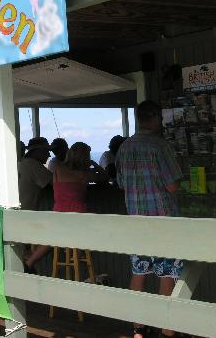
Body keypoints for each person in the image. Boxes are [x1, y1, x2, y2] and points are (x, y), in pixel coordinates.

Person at [115, 100, 184, 338]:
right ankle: (166, 329)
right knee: (167, 273)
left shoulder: (124, 148)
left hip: (136, 223)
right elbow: (173, 185)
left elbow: (122, 184)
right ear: (155, 118)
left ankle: (138, 329)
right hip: (163, 222)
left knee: (139, 272)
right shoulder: (160, 146)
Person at [25, 142, 108, 272]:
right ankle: (76, 260)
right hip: (78, 216)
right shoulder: (83, 174)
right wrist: (95, 164)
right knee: (91, 228)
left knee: (53, 237)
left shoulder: (58, 170)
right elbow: (104, 177)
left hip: (58, 214)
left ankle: (30, 262)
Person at [18, 137, 53, 211]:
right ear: (38, 151)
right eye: (46, 151)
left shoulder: (23, 162)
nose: (49, 155)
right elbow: (55, 183)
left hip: (23, 211)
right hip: (31, 213)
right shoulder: (32, 164)